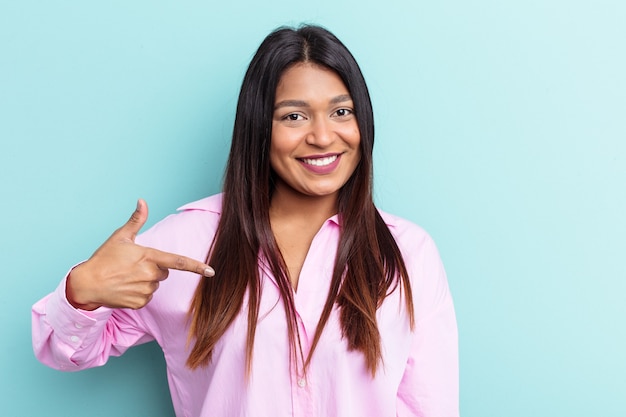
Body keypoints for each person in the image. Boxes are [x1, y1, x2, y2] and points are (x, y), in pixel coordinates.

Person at [32, 25, 458, 416]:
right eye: (294, 116)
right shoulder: (185, 244)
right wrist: (82, 292)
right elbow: (65, 350)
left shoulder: (408, 252)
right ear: (259, 127)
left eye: (341, 112)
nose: (324, 136)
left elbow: (429, 407)